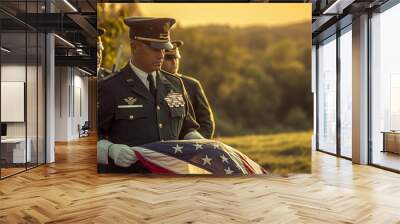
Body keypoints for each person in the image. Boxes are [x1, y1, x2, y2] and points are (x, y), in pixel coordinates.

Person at [97, 17, 203, 173]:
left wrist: (195, 139)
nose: (161, 55)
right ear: (134, 47)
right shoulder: (110, 87)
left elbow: (186, 126)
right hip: (129, 180)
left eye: (163, 48)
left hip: (172, 176)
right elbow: (92, 135)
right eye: (155, 49)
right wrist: (109, 149)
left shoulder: (175, 84)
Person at [162, 40, 215, 138]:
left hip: (191, 142)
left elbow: (206, 122)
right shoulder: (152, 83)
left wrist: (198, 144)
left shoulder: (191, 84)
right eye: (168, 58)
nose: (174, 62)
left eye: (176, 58)